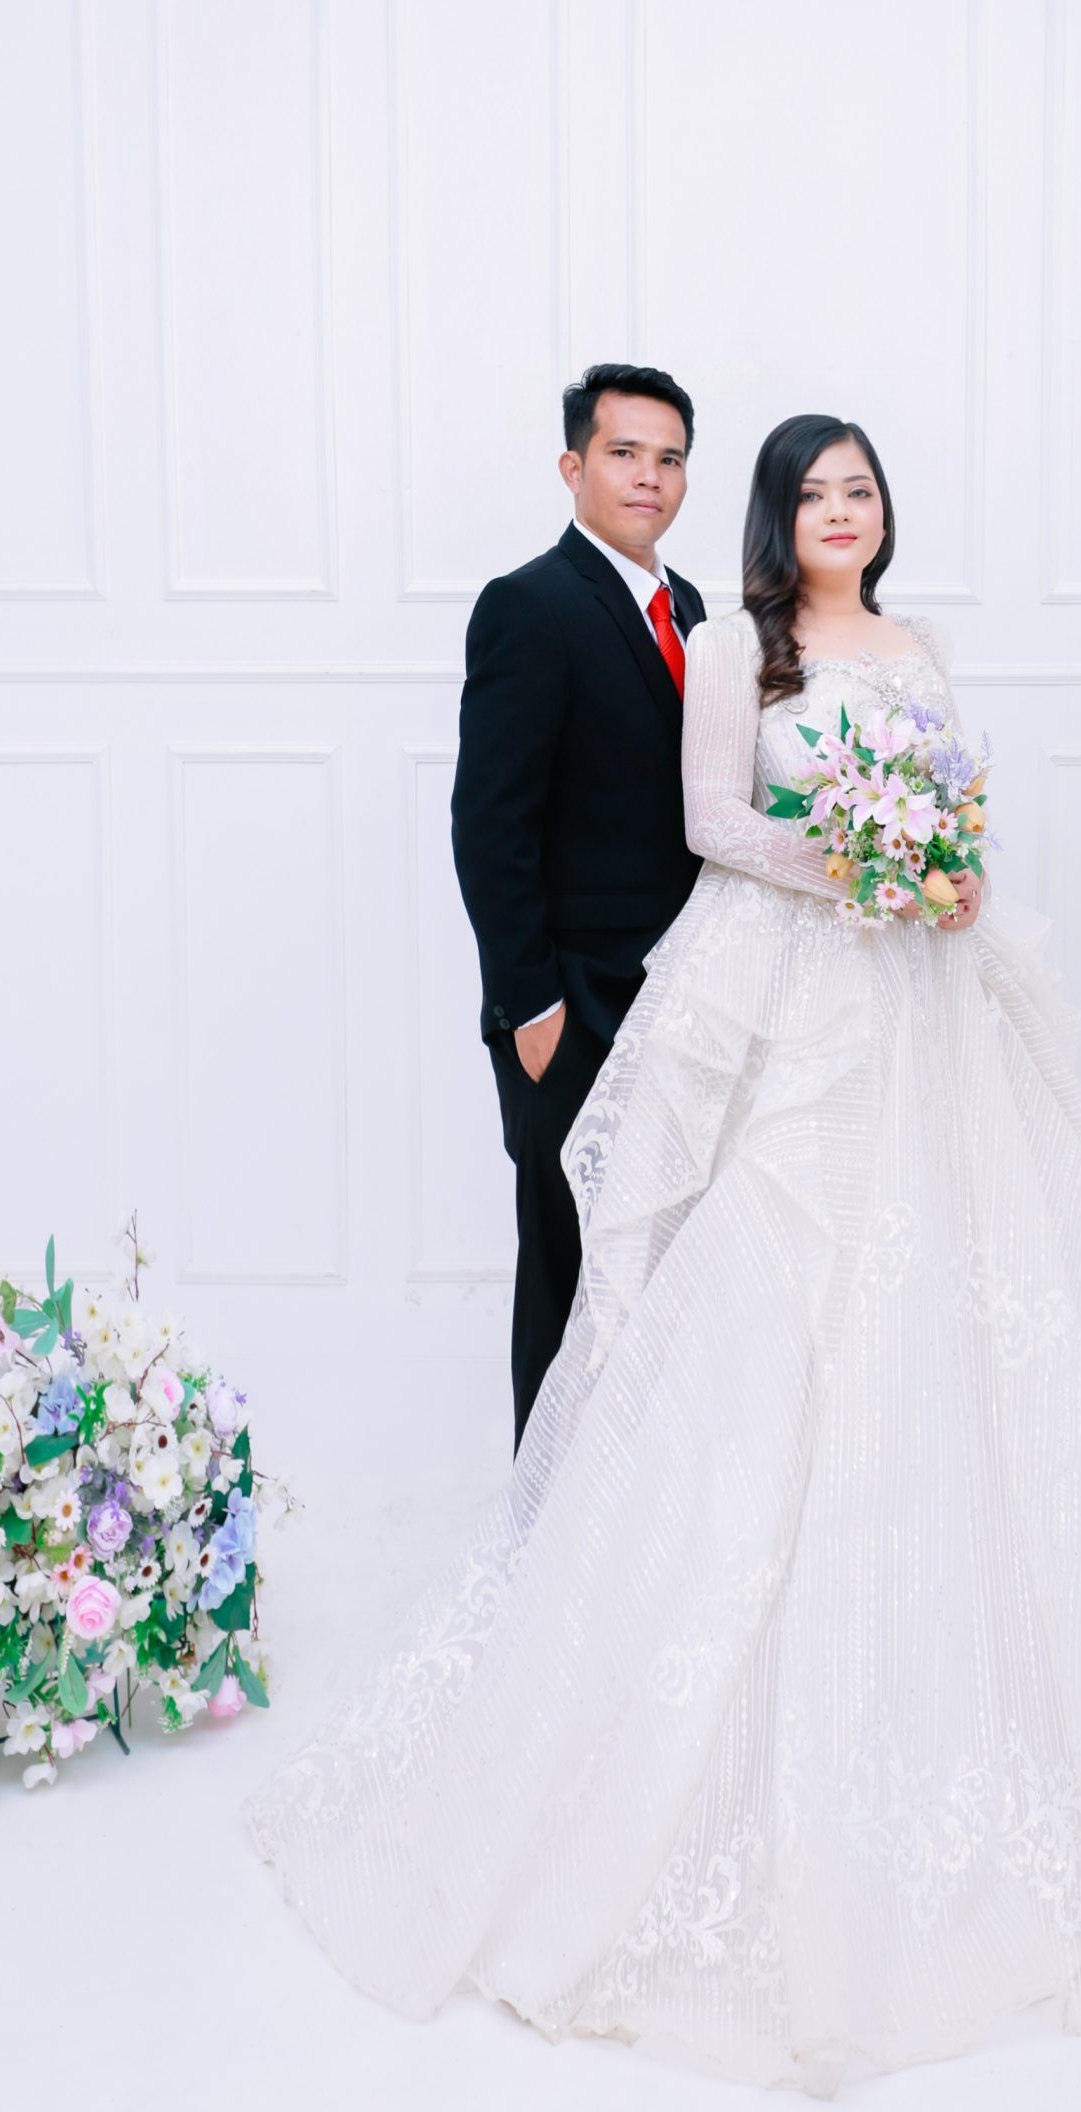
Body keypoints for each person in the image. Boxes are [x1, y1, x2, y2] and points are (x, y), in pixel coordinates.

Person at [250, 415, 1081, 2094]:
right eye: (815, 492)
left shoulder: (917, 648)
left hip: (924, 1007)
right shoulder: (732, 651)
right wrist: (858, 856)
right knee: (770, 1309)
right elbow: (710, 819)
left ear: (882, 512)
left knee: (980, 1320)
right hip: (797, 1006)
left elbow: (957, 813)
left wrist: (943, 867)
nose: (842, 511)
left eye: (862, 489)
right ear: (779, 518)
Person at [450, 362, 705, 1450]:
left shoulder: (689, 609)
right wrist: (532, 1008)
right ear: (572, 466)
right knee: (567, 1272)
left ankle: (638, 1518)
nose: (648, 477)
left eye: (669, 458)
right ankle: (544, 1517)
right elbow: (487, 824)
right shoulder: (529, 605)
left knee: (668, 1277)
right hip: (571, 1009)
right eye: (623, 452)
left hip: (683, 999)